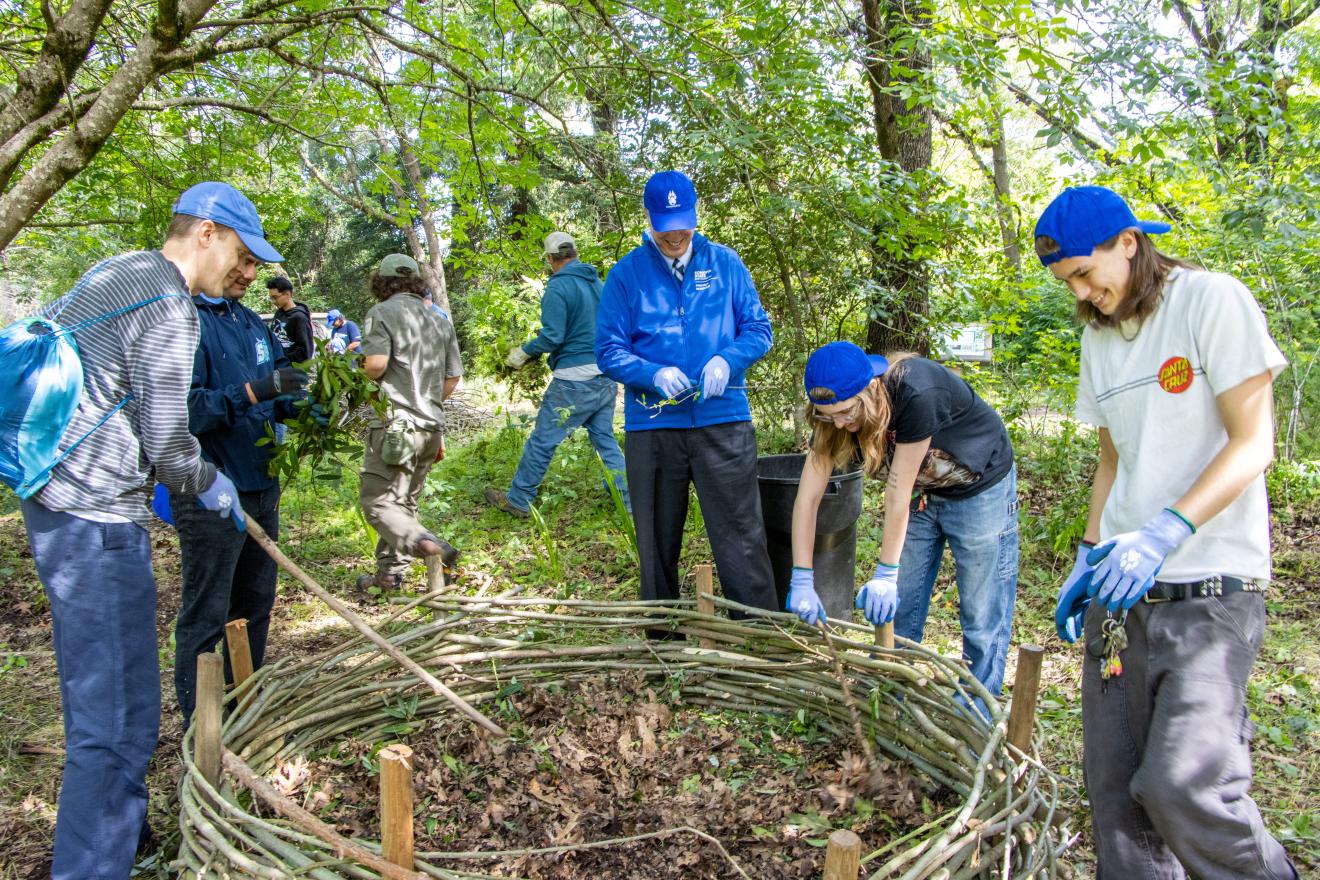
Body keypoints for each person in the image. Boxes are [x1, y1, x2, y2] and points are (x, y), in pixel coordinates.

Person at [1038, 185, 1298, 879]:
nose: (1083, 294)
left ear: (1129, 243)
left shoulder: (1211, 300)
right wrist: (1088, 555)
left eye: (1085, 274)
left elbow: (1253, 443)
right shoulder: (1099, 338)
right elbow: (1112, 460)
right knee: (1116, 798)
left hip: (1209, 589)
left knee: (1184, 784)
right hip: (1121, 596)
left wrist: (1164, 531)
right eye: (1068, 284)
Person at [19, 181, 271, 880]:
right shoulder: (168, 304)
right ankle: (92, 865)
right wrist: (206, 480)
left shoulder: (120, 270)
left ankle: (120, 841)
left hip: (61, 501)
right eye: (244, 255)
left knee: (107, 708)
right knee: (119, 719)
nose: (248, 272)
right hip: (96, 519)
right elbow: (168, 441)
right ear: (208, 233)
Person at [789, 342, 1018, 702]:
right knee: (904, 599)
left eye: (846, 412)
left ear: (871, 388)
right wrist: (801, 577)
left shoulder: (916, 392)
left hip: (979, 488)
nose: (840, 423)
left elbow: (897, 495)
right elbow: (807, 499)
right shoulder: (832, 419)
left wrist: (885, 575)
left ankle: (979, 703)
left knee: (980, 606)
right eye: (828, 416)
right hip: (923, 491)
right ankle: (889, 691)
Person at [596, 170, 777, 619]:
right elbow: (608, 351)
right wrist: (652, 374)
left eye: (683, 225)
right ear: (648, 218)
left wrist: (727, 361)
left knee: (741, 532)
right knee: (656, 539)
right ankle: (664, 636)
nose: (676, 236)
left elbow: (758, 330)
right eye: (665, 227)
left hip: (724, 420)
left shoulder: (726, 264)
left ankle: (757, 632)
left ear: (696, 215)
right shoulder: (626, 275)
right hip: (654, 426)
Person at [170, 255, 317, 724]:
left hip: (260, 481)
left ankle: (244, 705)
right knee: (208, 609)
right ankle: (201, 724)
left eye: (256, 266)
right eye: (244, 261)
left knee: (255, 601)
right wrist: (254, 391)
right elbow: (186, 410)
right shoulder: (183, 321)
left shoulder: (253, 322)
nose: (251, 275)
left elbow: (279, 389)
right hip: (210, 488)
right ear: (213, 248)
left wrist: (301, 408)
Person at [486, 231, 630, 518]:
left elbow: (552, 337)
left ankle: (519, 499)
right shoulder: (597, 283)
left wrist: (523, 352)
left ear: (551, 258)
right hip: (604, 375)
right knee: (605, 440)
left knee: (543, 440)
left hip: (573, 382)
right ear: (574, 253)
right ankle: (628, 501)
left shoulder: (558, 287)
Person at [356, 254, 463, 590]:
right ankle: (389, 575)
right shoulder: (439, 319)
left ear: (382, 282)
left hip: (396, 428)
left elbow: (375, 364)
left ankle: (432, 547)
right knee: (402, 504)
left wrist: (353, 369)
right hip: (431, 428)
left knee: (377, 503)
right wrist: (426, 403)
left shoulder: (381, 312)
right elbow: (452, 378)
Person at [267, 275, 314, 362]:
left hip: (289, 367)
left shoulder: (300, 317)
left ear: (287, 294)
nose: (273, 301)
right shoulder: (279, 313)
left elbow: (305, 351)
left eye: (275, 297)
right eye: (271, 298)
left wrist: (282, 360)